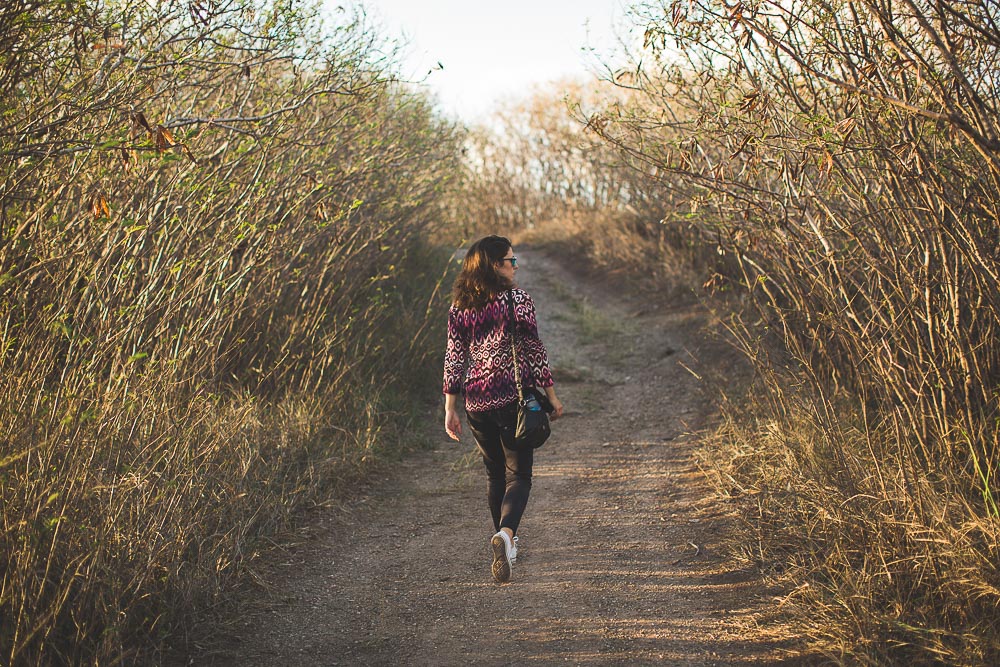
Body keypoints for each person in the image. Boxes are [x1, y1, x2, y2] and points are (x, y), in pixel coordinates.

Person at [443, 235, 564, 584]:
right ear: (495, 265)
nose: (515, 266)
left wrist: (450, 407)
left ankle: (506, 541)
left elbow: (454, 359)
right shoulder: (518, 300)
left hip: (477, 403)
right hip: (514, 399)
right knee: (520, 476)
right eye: (511, 260)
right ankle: (507, 535)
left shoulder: (460, 307)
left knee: (495, 475)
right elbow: (535, 351)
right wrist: (552, 397)